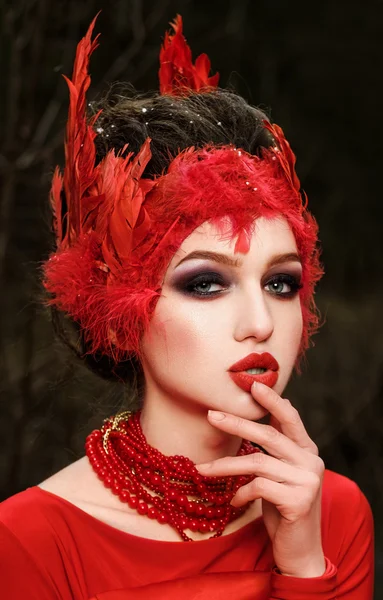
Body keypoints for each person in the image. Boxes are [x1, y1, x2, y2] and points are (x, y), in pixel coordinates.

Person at [0, 14, 374, 600]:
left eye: (281, 283)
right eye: (205, 284)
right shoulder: (30, 541)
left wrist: (304, 570)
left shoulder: (334, 512)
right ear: (120, 314)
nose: (260, 324)